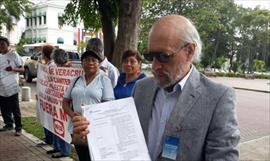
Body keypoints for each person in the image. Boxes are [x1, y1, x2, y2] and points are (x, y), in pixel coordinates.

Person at [72, 15, 240, 161]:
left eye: (163, 56)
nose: (154, 66)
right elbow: (126, 139)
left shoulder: (218, 98)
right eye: (151, 56)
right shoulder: (141, 88)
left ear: (189, 51)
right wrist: (93, 134)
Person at [62, 50, 115, 161]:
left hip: (96, 128)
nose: (90, 63)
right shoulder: (76, 80)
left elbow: (108, 105)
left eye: (94, 60)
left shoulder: (104, 81)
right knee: (83, 157)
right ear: (82, 63)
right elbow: (65, 102)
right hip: (77, 128)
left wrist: (93, 115)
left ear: (99, 64)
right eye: (86, 60)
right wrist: (72, 114)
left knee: (96, 157)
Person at [46, 49, 71, 158]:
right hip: (55, 101)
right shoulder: (57, 68)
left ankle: (64, 150)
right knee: (55, 123)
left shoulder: (69, 69)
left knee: (63, 125)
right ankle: (57, 147)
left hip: (65, 103)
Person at [0, 36, 24, 136]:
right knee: (4, 108)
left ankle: (18, 128)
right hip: (1, 87)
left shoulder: (13, 55)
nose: (1, 46)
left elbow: (22, 69)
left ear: (7, 44)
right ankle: (8, 124)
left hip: (12, 86)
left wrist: (13, 70)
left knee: (15, 108)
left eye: (2, 44)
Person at [39, 44, 55, 145]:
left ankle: (50, 139)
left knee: (49, 119)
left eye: (42, 53)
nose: (41, 54)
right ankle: (48, 138)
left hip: (50, 97)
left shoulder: (52, 65)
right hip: (46, 96)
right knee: (46, 118)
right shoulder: (48, 64)